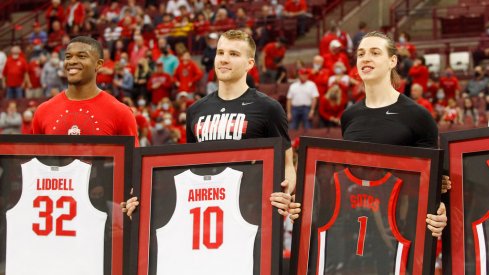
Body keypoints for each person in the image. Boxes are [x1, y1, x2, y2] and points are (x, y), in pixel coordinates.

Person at [289, 31, 449, 237]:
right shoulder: (350, 116)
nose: (366, 58)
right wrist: (305, 206)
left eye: (375, 52)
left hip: (401, 228)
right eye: (361, 53)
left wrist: (439, 209)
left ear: (392, 61)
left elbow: (431, 181)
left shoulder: (418, 115)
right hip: (357, 222)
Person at [123, 29, 296, 219]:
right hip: (205, 211)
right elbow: (191, 168)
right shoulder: (196, 110)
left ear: (250, 64)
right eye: (220, 52)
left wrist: (285, 194)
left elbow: (287, 164)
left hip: (252, 212)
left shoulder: (268, 108)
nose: (224, 59)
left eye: (234, 54)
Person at [32, 36, 139, 146]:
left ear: (98, 65)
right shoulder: (43, 111)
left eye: (81, 56)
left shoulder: (121, 113)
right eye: (68, 57)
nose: (72, 61)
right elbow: (37, 160)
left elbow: (132, 161)